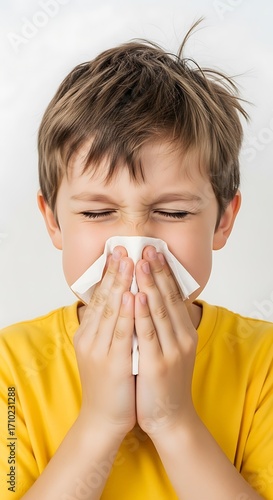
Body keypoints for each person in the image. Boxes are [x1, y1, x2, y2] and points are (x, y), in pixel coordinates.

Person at [0, 21, 272, 500]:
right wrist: (101, 423)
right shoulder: (12, 370)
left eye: (172, 212)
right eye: (98, 212)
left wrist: (172, 420)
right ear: (54, 223)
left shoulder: (262, 363)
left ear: (224, 221)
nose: (136, 245)